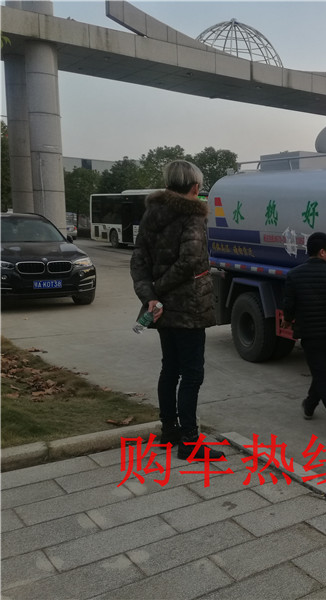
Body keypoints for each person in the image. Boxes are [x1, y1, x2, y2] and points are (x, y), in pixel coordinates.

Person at [130, 160, 223, 460]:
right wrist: (159, 290)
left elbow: (139, 260)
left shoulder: (151, 214)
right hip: (188, 307)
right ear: (195, 188)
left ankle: (169, 431)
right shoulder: (192, 215)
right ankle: (190, 441)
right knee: (192, 374)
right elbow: (190, 261)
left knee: (169, 369)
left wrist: (151, 296)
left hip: (160, 309)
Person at [282, 232, 326, 437]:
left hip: (311, 336)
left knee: (322, 376)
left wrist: (288, 319)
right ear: (322, 252)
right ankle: (309, 405)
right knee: (321, 374)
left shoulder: (294, 275)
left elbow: (289, 304)